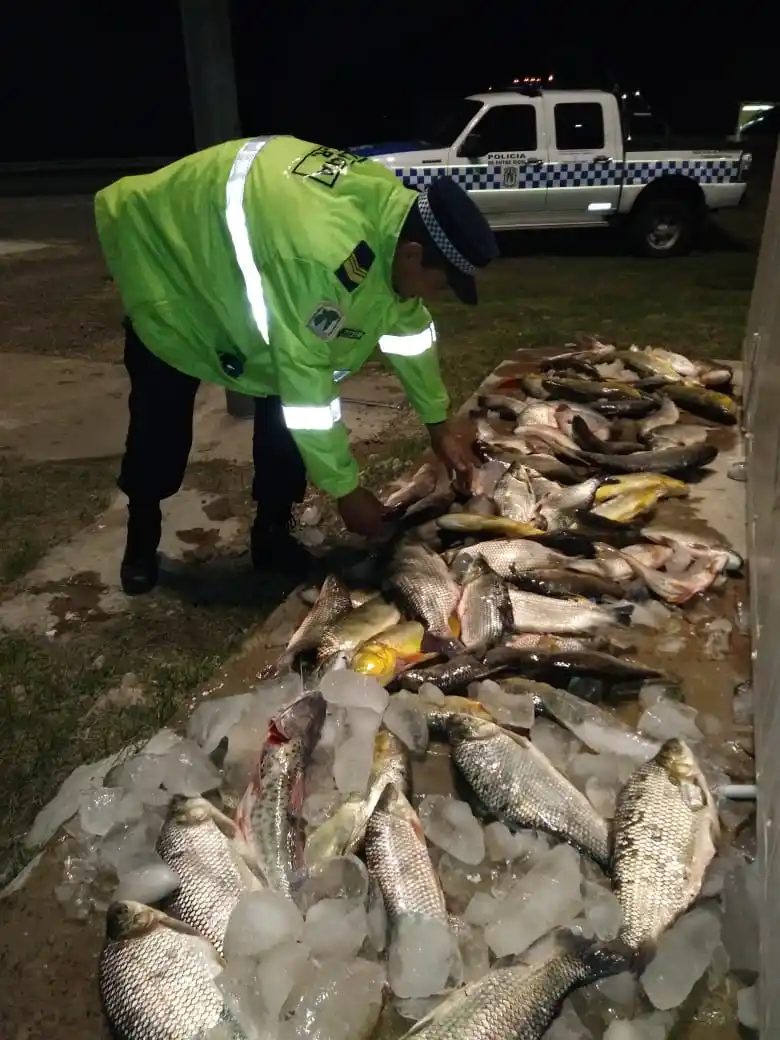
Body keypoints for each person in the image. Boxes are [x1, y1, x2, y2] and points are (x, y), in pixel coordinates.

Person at [94, 135, 499, 596]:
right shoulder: (322, 258)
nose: (433, 295)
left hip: (249, 276)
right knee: (160, 427)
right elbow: (308, 383)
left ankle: (272, 534)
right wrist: (346, 491)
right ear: (412, 255)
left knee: (283, 421)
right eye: (439, 283)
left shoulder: (395, 221)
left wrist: (437, 424)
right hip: (176, 274)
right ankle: (141, 535)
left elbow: (406, 327)